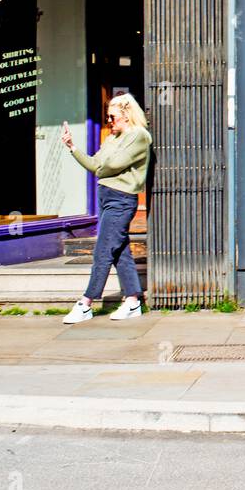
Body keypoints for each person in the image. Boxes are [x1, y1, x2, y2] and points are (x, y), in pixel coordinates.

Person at [60, 93, 152, 323]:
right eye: (107, 117)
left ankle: (86, 303)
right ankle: (132, 301)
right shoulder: (113, 137)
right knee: (119, 250)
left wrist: (102, 166)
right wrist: (73, 148)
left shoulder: (139, 136)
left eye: (112, 117)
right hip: (106, 197)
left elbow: (110, 164)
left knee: (103, 250)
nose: (109, 122)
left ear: (126, 114)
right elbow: (95, 164)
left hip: (121, 199)